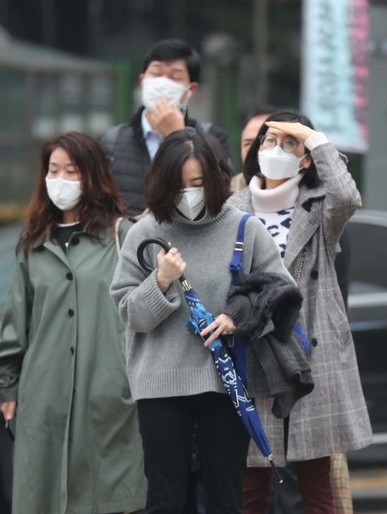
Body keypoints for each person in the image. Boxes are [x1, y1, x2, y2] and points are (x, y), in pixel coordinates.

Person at [110, 128, 291, 513]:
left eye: (197, 182)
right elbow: (129, 313)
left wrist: (236, 319)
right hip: (160, 387)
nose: (189, 193)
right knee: (165, 499)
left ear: (214, 178)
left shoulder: (245, 228)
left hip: (225, 387)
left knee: (225, 497)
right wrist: (160, 281)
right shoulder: (144, 232)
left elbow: (281, 295)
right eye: (178, 184)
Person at [227, 109, 372, 514]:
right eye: (269, 142)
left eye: (289, 144)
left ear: (306, 157)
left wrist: (315, 138)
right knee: (252, 482)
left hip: (313, 351)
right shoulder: (233, 207)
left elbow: (347, 195)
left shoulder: (321, 205)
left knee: (316, 482)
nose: (275, 150)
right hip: (255, 350)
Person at [0, 132, 146, 513]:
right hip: (42, 397)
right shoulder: (34, 244)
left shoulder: (122, 236)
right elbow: (16, 324)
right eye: (53, 170)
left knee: (107, 497)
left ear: (93, 175)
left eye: (71, 170)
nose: (60, 179)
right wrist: (8, 388)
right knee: (42, 497)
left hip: (108, 396)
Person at [101, 38, 231, 216]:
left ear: (190, 89)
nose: (163, 83)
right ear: (142, 80)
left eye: (175, 77)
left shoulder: (212, 137)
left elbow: (224, 196)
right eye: (156, 74)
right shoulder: (112, 140)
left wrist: (178, 135)